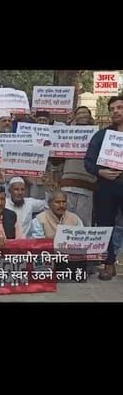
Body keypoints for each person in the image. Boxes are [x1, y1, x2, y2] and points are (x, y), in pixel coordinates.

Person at [84, 94, 123, 280]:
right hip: (107, 187)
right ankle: (109, 264)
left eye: (120, 108)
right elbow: (88, 161)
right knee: (105, 225)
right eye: (112, 109)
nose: (115, 111)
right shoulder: (101, 136)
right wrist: (100, 172)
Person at [60, 107, 97, 226]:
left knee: (84, 223)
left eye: (85, 113)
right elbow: (56, 160)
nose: (82, 115)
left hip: (87, 185)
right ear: (75, 117)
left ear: (90, 117)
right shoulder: (66, 133)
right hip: (68, 183)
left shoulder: (97, 135)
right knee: (66, 220)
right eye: (79, 113)